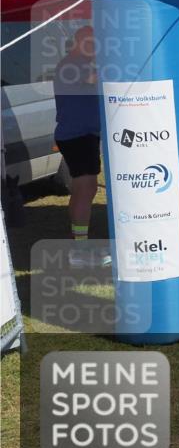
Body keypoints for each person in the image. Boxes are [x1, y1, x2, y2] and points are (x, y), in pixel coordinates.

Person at [53, 26, 107, 268]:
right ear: (79, 42)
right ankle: (80, 250)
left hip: (82, 135)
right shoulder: (72, 64)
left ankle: (77, 242)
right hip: (78, 136)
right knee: (86, 189)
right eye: (92, 43)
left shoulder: (78, 62)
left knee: (82, 189)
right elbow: (93, 79)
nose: (96, 48)